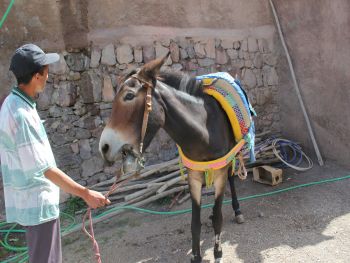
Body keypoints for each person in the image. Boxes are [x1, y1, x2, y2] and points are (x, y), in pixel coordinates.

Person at [0, 44, 111, 263]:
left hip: (30, 204)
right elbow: (46, 170)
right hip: (37, 205)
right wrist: (86, 194)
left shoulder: (12, 104)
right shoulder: (22, 115)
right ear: (36, 76)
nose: (49, 74)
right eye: (46, 69)